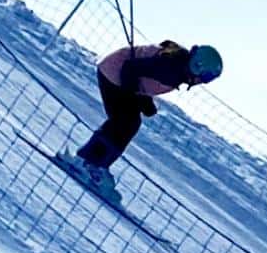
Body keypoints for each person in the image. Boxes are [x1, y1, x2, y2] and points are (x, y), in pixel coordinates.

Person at [70, 39, 224, 190]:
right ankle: (86, 162)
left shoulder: (178, 67)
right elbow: (130, 68)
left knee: (129, 122)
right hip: (114, 73)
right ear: (198, 66)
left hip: (120, 75)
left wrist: (144, 101)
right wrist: (135, 97)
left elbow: (142, 75)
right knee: (124, 121)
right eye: (206, 77)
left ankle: (95, 163)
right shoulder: (171, 68)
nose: (203, 82)